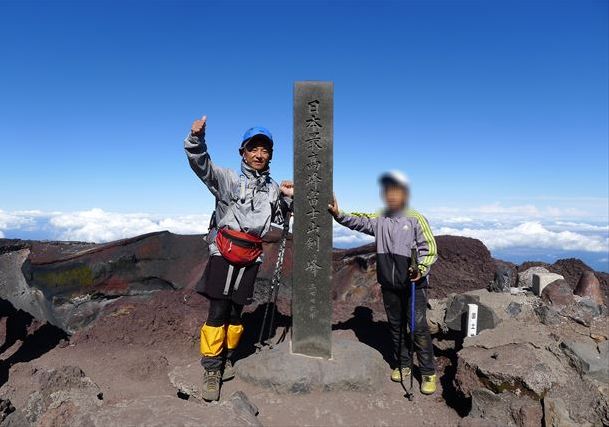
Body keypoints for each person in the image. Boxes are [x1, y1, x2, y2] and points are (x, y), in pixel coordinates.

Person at [184, 115, 293, 401]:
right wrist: (196, 139)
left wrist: (289, 199)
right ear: (242, 152)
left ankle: (228, 357)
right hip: (223, 252)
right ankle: (211, 368)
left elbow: (279, 226)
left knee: (236, 312)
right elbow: (202, 166)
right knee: (218, 311)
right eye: (253, 149)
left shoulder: (273, 190)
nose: (259, 154)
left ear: (270, 155)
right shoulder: (229, 180)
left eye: (264, 149)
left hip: (251, 256)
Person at [328, 170, 438, 395]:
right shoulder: (380, 218)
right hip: (389, 283)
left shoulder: (415, 218)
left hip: (413, 284)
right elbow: (357, 221)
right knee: (396, 327)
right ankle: (403, 365)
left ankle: (427, 372)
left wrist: (421, 269)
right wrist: (338, 213)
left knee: (418, 328)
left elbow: (430, 248)